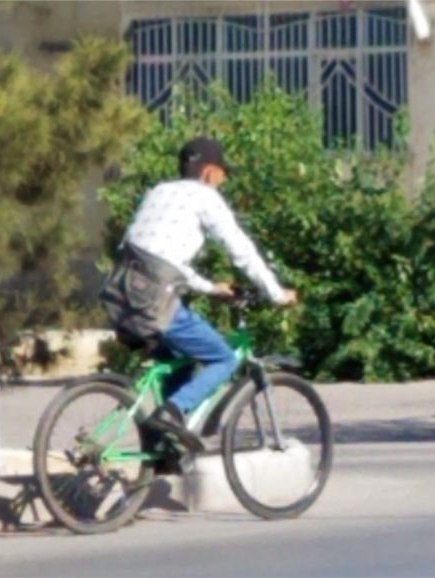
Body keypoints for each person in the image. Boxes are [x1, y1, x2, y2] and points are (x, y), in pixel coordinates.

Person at [99, 136, 297, 451]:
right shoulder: (206, 198)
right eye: (222, 174)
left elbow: (157, 258)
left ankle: (163, 451)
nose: (223, 181)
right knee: (223, 357)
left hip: (119, 292)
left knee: (181, 360)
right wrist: (275, 292)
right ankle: (173, 413)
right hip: (154, 299)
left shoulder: (158, 192)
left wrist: (211, 288)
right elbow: (241, 250)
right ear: (208, 172)